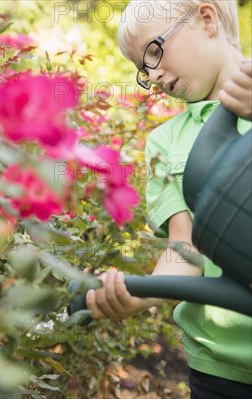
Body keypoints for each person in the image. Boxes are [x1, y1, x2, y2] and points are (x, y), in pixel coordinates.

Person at [85, 1, 252, 397]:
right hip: (220, 365)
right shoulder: (165, 142)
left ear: (206, 18)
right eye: (143, 70)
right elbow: (186, 250)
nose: (153, 74)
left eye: (154, 52)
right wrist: (138, 293)